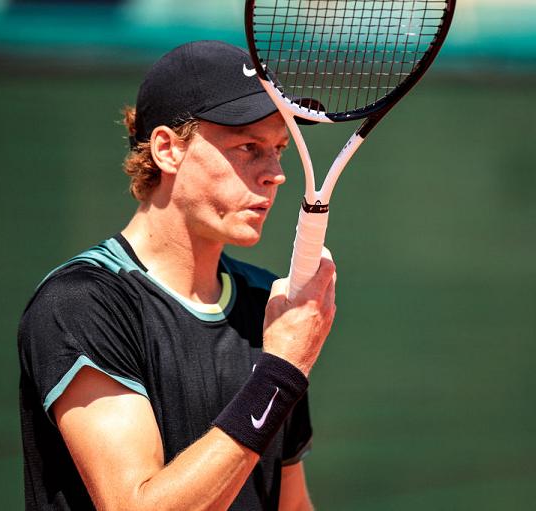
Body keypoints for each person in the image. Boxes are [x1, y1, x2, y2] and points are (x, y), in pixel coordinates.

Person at [18, 40, 337, 510]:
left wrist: (282, 367)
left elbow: (290, 504)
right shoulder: (80, 304)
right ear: (167, 150)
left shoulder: (266, 305)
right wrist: (280, 371)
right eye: (249, 147)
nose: (275, 173)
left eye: (279, 149)